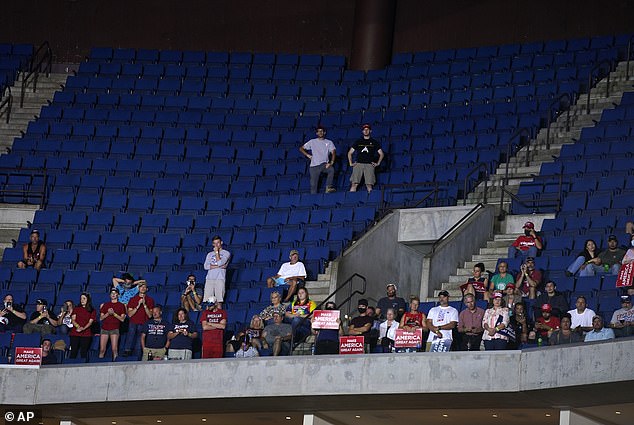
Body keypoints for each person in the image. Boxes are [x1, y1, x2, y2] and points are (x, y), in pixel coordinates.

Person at [299, 125, 337, 194]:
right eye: (319, 131)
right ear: (316, 133)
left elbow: (333, 152)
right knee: (313, 186)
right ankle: (313, 199)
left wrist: (331, 162)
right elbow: (301, 148)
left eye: (321, 131)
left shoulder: (329, 142)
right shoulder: (312, 141)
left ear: (324, 132)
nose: (320, 132)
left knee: (331, 169)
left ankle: (328, 187)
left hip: (324, 164)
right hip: (314, 166)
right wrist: (308, 155)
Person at [347, 123, 384, 193]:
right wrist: (350, 163)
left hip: (369, 165)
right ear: (362, 131)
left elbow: (381, 154)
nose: (366, 131)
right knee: (354, 184)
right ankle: (351, 198)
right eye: (364, 130)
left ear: (370, 131)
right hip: (358, 164)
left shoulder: (374, 142)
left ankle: (371, 198)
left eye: (367, 129)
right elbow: (350, 153)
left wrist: (378, 163)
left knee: (369, 185)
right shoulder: (358, 141)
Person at [123, 281, 154, 357]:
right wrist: (138, 305)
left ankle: (137, 355)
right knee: (130, 335)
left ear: (147, 289)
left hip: (144, 322)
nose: (143, 288)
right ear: (138, 289)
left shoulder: (150, 300)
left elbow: (150, 315)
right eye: (141, 287)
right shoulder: (133, 299)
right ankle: (127, 351)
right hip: (133, 322)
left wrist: (145, 305)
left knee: (139, 340)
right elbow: (130, 314)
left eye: (144, 287)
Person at [203, 236, 231, 308]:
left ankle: (219, 314)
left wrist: (216, 252)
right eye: (214, 243)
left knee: (219, 301)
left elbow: (220, 262)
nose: (216, 245)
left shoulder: (226, 253)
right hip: (209, 279)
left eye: (218, 243)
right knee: (208, 301)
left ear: (221, 242)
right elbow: (206, 266)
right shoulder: (209, 254)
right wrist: (219, 266)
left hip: (220, 278)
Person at [98, 288, 126, 360]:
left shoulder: (121, 305)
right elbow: (101, 318)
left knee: (114, 349)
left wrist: (114, 314)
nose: (113, 294)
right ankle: (100, 363)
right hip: (104, 329)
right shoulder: (105, 305)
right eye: (112, 293)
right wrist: (108, 313)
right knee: (102, 349)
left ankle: (115, 363)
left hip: (115, 329)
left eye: (115, 293)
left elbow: (122, 319)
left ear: (118, 295)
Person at [69, 293, 96, 359]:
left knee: (83, 352)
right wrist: (78, 327)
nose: (82, 300)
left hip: (86, 333)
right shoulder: (76, 308)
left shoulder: (92, 310)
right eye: (81, 298)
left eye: (84, 298)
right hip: (75, 332)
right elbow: (73, 319)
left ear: (88, 300)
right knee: (73, 352)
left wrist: (83, 328)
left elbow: (90, 322)